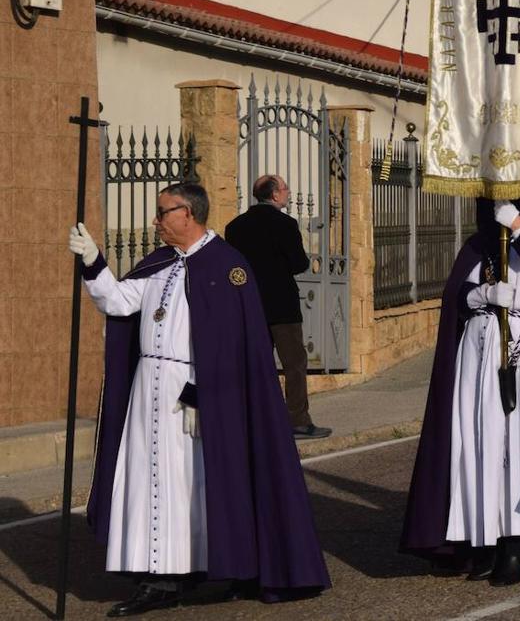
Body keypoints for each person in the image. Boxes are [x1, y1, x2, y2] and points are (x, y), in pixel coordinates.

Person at [67, 183, 329, 617]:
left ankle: (197, 570)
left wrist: (200, 391)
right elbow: (118, 302)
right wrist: (93, 260)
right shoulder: (159, 264)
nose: (156, 220)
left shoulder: (228, 267)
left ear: (187, 213)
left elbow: (234, 345)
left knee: (193, 484)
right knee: (151, 481)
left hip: (198, 396)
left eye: (162, 212)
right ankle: (160, 573)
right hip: (148, 387)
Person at [400, 199, 520, 585]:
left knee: (518, 444)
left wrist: (519, 228)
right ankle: (484, 537)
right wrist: (483, 295)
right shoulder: (477, 245)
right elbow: (457, 296)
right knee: (479, 442)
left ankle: (519, 540)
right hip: (478, 352)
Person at [225, 175, 331, 440]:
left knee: (255, 364)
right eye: (285, 189)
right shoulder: (285, 224)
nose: (287, 192)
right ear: (274, 195)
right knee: (294, 363)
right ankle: (298, 419)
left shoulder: (235, 227)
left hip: (249, 305)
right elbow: (298, 263)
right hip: (282, 305)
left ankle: (254, 419)